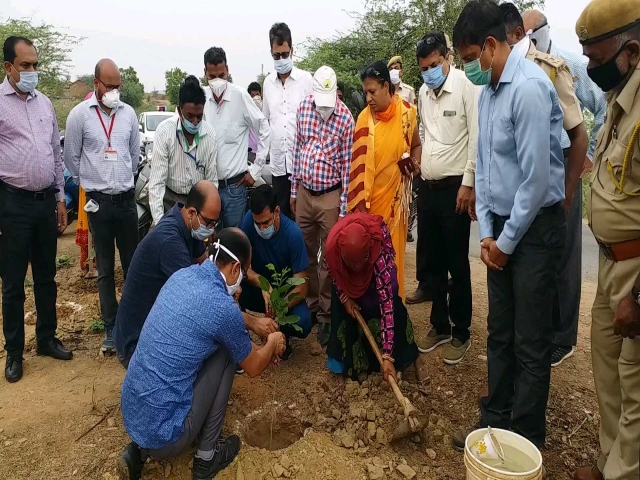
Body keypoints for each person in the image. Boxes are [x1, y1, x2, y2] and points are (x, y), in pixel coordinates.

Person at [452, 0, 566, 449]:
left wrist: (506, 240)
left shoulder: (530, 89)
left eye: (467, 59)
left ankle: (525, 439)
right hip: (499, 230)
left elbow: (535, 180)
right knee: (500, 333)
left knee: (530, 341)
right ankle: (495, 422)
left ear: (492, 45)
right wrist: (486, 235)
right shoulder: (492, 90)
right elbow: (483, 160)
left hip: (534, 231)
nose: (467, 70)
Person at [118, 228, 286, 480]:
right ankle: (207, 457)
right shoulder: (223, 309)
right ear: (235, 268)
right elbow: (252, 367)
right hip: (167, 436)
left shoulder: (182, 276)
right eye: (242, 272)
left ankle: (140, 450)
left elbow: (209, 315)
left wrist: (250, 322)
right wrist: (272, 342)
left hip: (133, 413)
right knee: (229, 350)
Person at [502, 4, 597, 369]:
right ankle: (541, 329)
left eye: (525, 34)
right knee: (542, 254)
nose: (520, 40)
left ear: (540, 32)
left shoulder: (565, 65)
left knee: (567, 257)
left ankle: (563, 337)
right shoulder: (520, 68)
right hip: (536, 170)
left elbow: (599, 111)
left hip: (564, 168)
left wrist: (589, 159)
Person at [573, 2, 640, 478]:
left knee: (636, 385)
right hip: (611, 264)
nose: (590, 69)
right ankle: (607, 464)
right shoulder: (620, 101)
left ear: (631, 51)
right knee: (610, 377)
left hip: (635, 272)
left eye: (595, 60)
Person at [0, 36, 72, 383]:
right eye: (25, 66)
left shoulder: (44, 104)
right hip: (12, 204)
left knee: (46, 277)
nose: (32, 71)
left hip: (45, 203)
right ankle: (14, 352)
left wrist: (60, 197)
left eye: (35, 65)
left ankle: (46, 339)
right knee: (13, 283)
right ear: (9, 68)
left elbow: (56, 156)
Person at [410, 31, 478, 366]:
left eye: (434, 65)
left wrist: (469, 183)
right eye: (424, 68)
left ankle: (461, 330)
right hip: (428, 186)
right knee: (432, 260)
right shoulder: (423, 92)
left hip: (456, 190)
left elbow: (476, 139)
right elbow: (425, 133)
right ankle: (439, 324)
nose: (430, 72)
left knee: (456, 262)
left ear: (447, 58)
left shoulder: (466, 88)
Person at [64, 59, 140, 356]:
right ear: (96, 83)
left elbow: (133, 155)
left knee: (133, 266)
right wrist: (92, 184)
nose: (114, 92)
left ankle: (132, 323)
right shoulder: (79, 116)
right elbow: (71, 158)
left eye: (117, 86)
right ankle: (111, 326)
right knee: (105, 269)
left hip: (125, 201)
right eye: (109, 86)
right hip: (99, 205)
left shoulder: (128, 114)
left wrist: (121, 180)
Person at [114, 181, 221, 368]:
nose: (211, 230)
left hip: (154, 330)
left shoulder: (188, 225)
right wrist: (248, 321)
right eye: (209, 223)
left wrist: (228, 283)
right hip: (136, 344)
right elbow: (197, 300)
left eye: (215, 223)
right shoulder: (170, 242)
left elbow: (205, 267)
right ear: (192, 213)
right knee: (215, 342)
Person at [290, 66, 355, 347]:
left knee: (329, 259)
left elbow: (348, 169)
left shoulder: (345, 119)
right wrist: (294, 191)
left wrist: (342, 209)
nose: (323, 108)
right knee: (305, 255)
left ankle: (328, 316)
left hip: (330, 196)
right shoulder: (304, 109)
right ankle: (312, 305)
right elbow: (297, 149)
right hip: (305, 193)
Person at [347, 61, 422, 301]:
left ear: (386, 87)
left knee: (394, 263)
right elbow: (357, 172)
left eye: (373, 91)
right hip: (371, 211)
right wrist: (360, 214)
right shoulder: (363, 121)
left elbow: (416, 145)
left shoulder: (407, 113)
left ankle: (394, 312)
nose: (368, 98)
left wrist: (415, 165)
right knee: (372, 266)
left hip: (396, 208)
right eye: (365, 92)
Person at [324, 212, 428, 383]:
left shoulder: (378, 250)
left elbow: (386, 304)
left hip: (375, 275)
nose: (357, 268)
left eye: (360, 263)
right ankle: (340, 367)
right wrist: (345, 298)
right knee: (340, 312)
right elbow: (333, 273)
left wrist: (387, 355)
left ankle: (412, 356)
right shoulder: (332, 247)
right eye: (352, 264)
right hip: (346, 282)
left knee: (393, 302)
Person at [240, 185, 311, 359]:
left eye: (266, 222)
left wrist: (277, 308)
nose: (262, 229)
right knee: (233, 289)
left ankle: (279, 333)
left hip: (284, 295)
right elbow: (242, 268)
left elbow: (302, 288)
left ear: (277, 211)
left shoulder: (293, 234)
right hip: (260, 292)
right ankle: (241, 338)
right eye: (258, 224)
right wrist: (263, 284)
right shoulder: (249, 221)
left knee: (303, 321)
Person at [202, 47, 271, 228]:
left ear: (228, 70)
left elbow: (264, 126)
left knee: (233, 240)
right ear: (205, 74)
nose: (217, 81)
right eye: (212, 77)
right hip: (208, 188)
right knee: (208, 240)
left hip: (234, 188)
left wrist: (255, 170)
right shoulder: (202, 99)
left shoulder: (240, 96)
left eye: (222, 75)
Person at [148, 76, 218, 226]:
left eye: (199, 117)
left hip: (199, 203)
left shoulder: (210, 134)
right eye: (190, 116)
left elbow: (212, 181)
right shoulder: (164, 132)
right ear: (180, 111)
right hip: (171, 202)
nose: (195, 122)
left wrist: (210, 221)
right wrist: (161, 224)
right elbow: (157, 184)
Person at [262, 23, 314, 218]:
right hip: (278, 165)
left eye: (285, 54)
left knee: (301, 220)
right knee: (280, 218)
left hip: (302, 165)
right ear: (271, 53)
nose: (281, 59)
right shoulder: (268, 83)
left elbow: (315, 122)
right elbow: (266, 120)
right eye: (277, 55)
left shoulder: (306, 80)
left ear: (292, 50)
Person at [247, 82, 262, 164]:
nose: (255, 98)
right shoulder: (246, 112)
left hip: (264, 152)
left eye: (257, 95)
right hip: (251, 152)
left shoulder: (265, 109)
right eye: (253, 95)